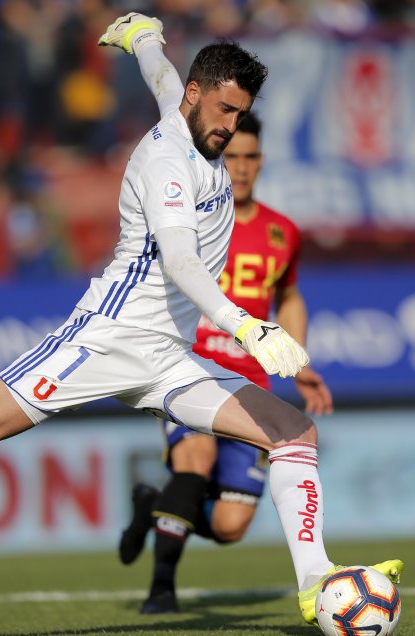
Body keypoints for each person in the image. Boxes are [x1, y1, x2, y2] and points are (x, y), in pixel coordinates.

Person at [0, 13, 401, 626]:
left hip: (167, 359)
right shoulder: (167, 161)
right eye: (225, 109)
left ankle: (317, 582)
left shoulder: (193, 121)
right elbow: (178, 259)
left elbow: (165, 83)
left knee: (293, 433)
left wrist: (145, 39)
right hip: (104, 341)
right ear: (200, 95)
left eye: (242, 114)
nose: (231, 127)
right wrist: (247, 326)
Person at [117, 106, 334, 613]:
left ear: (261, 161)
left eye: (250, 156)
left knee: (229, 526)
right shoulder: (193, 217)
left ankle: (156, 505)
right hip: (184, 367)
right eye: (231, 154)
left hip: (249, 381)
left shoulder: (283, 232)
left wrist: (300, 367)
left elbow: (290, 297)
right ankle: (162, 590)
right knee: (198, 457)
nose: (240, 166)